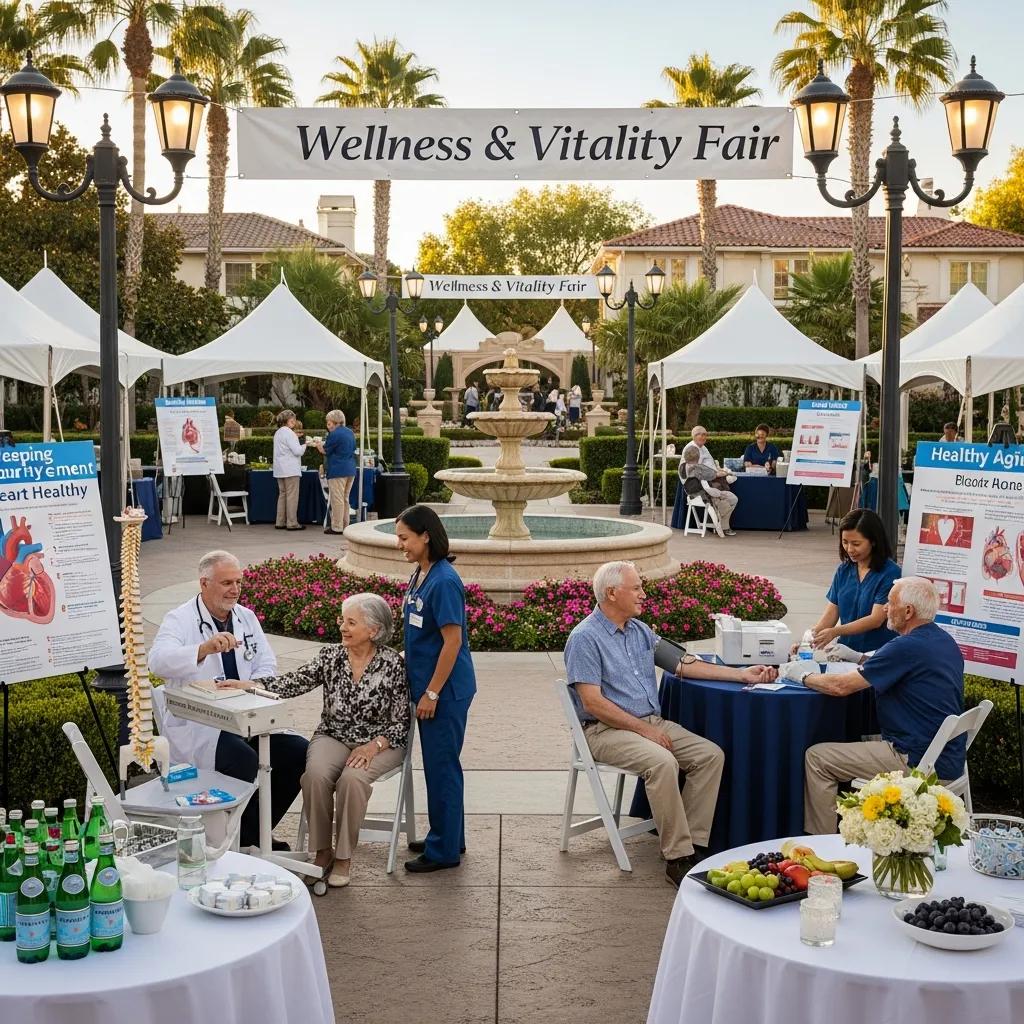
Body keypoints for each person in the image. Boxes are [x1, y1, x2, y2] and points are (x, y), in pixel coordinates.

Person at [565, 561, 777, 888]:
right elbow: (593, 703)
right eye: (635, 588)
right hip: (604, 730)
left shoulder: (639, 631)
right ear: (611, 593)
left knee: (710, 755)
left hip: (649, 723)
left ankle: (694, 847)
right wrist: (646, 731)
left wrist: (740, 674)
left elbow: (683, 663)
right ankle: (677, 859)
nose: (643, 594)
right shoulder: (584, 638)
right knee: (663, 763)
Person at [220, 593, 409, 888]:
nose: (343, 628)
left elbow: (400, 723)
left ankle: (344, 857)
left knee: (352, 780)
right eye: (342, 620)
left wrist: (374, 746)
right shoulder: (330, 656)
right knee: (315, 777)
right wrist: (252, 685)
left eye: (351, 622)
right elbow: (295, 681)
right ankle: (322, 853)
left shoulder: (392, 665)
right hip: (333, 734)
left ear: (373, 630)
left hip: (380, 741)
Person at [780, 577, 966, 834]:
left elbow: (840, 687)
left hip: (917, 758)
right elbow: (893, 664)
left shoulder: (905, 646)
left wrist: (801, 675)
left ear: (908, 611)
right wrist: (857, 656)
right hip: (947, 755)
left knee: (818, 758)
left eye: (890, 603)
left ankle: (821, 845)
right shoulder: (943, 640)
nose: (886, 609)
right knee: (857, 737)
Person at [149, 550, 307, 851]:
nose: (234, 590)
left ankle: (252, 833)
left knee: (299, 753)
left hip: (246, 716)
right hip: (202, 724)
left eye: (238, 582)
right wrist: (203, 649)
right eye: (226, 583)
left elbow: (266, 664)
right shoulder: (180, 619)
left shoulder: (245, 618)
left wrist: (251, 684)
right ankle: (229, 839)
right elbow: (157, 661)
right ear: (204, 583)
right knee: (244, 761)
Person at [395, 505, 476, 872]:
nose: (401, 545)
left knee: (442, 768)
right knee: (441, 767)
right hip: (430, 686)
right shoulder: (422, 573)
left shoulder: (443, 581)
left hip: (444, 691)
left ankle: (442, 852)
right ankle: (447, 836)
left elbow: (452, 642)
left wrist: (431, 693)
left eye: (405, 538)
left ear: (425, 535)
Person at [803, 508, 901, 655]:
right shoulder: (843, 570)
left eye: (856, 544)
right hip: (845, 652)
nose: (849, 549)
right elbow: (832, 612)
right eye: (845, 542)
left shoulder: (890, 573)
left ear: (873, 541)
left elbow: (876, 619)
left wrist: (835, 632)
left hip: (877, 654)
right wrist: (810, 639)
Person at [273, 409, 321, 531]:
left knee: (282, 495)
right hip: (290, 469)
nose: (294, 422)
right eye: (292, 419)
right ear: (287, 421)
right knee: (292, 496)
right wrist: (306, 444)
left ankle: (280, 521)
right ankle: (292, 523)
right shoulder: (289, 433)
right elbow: (297, 451)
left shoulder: (278, 432)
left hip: (279, 469)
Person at [680, 443, 738, 536]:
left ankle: (723, 523)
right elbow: (709, 485)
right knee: (732, 499)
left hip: (693, 496)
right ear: (698, 457)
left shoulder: (682, 467)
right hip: (705, 497)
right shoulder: (698, 469)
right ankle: (723, 525)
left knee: (727, 497)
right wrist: (720, 493)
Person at [323, 409, 356, 535]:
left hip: (337, 469)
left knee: (337, 499)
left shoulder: (334, 434)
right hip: (350, 469)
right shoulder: (350, 432)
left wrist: (318, 445)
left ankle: (337, 526)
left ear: (335, 422)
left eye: (329, 423)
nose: (328, 425)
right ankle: (345, 524)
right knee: (345, 498)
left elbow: (326, 451)